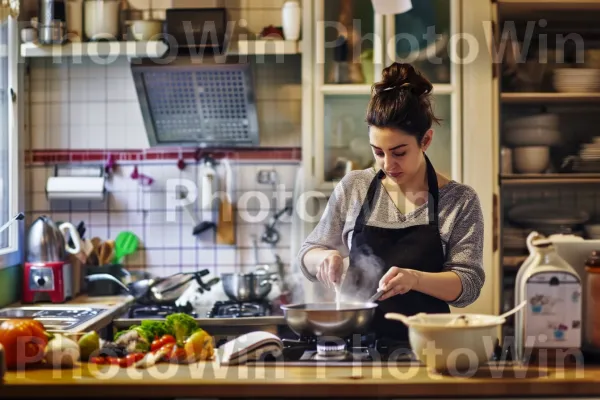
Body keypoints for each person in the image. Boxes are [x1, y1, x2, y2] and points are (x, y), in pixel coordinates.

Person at [297, 62, 485, 342]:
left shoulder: (459, 200)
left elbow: (467, 286)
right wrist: (324, 258)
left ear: (426, 140)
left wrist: (417, 279)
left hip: (428, 348)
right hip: (355, 346)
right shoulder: (354, 187)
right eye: (378, 152)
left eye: (399, 152)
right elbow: (307, 254)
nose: (388, 164)